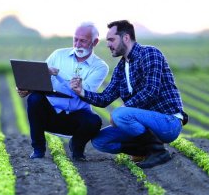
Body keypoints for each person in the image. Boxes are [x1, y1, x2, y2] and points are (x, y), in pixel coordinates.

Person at [70, 20, 188, 168]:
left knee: (120, 114)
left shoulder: (150, 54)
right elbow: (105, 98)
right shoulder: (121, 67)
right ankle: (145, 151)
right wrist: (81, 91)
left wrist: (123, 109)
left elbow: (151, 90)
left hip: (167, 121)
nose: (108, 44)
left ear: (126, 38)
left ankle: (158, 152)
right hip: (142, 124)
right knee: (100, 141)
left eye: (111, 39)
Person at [17, 22, 109, 161]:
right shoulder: (58, 55)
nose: (77, 44)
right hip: (51, 114)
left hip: (76, 117)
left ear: (95, 42)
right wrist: (27, 88)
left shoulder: (100, 67)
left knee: (94, 121)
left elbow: (85, 92)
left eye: (83, 41)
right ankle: (38, 149)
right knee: (34, 98)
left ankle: (77, 148)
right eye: (75, 39)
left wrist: (58, 74)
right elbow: (41, 80)